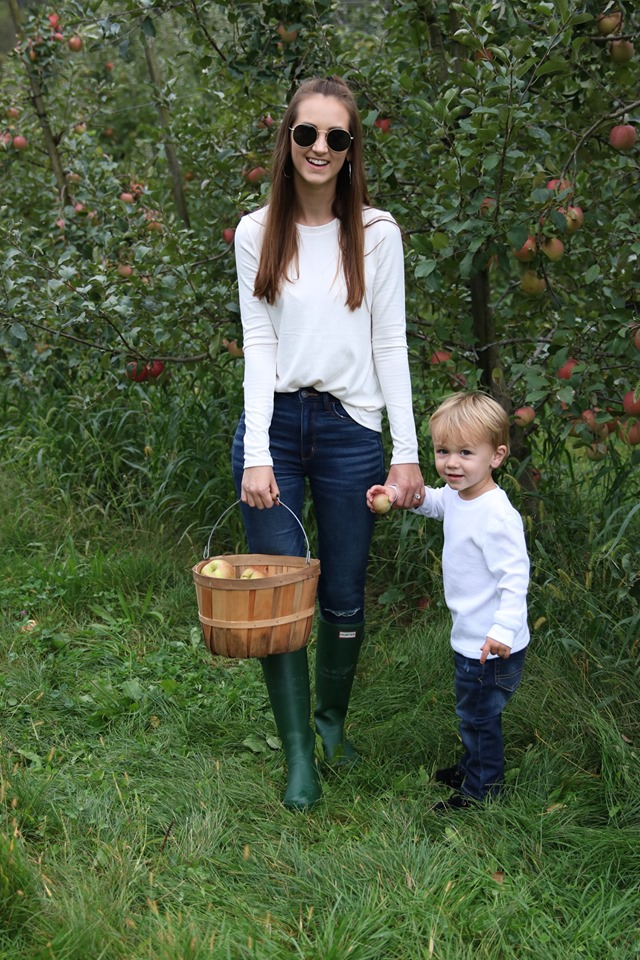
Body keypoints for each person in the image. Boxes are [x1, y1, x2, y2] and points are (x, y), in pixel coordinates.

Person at [231, 76, 424, 811]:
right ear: (287, 141)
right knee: (279, 600)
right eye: (306, 133)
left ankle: (332, 724)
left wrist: (404, 450)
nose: (319, 147)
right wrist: (254, 451)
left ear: (350, 151)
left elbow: (391, 343)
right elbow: (256, 341)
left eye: (335, 137)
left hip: (351, 431)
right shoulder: (257, 231)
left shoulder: (377, 234)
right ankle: (297, 759)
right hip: (275, 427)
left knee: (343, 595)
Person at [366, 392, 530, 811]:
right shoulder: (461, 496)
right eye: (443, 451)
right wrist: (406, 496)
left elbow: (515, 580)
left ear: (496, 456)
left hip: (490, 645)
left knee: (480, 718)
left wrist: (500, 632)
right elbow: (438, 502)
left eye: (465, 453)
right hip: (471, 640)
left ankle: (482, 791)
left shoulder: (497, 514)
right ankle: (473, 766)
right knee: (472, 713)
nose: (451, 463)